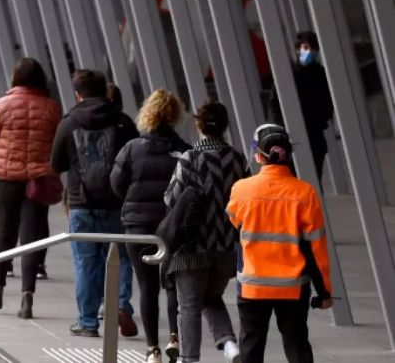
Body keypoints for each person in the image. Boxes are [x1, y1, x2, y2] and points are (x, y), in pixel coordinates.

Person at [227, 124, 333, 363]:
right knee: (296, 345)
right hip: (293, 287)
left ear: (258, 155)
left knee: (251, 346)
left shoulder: (241, 189)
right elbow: (316, 249)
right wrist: (324, 291)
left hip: (253, 285)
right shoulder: (305, 193)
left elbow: (235, 224)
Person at [50, 69, 139, 338]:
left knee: (86, 263)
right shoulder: (123, 122)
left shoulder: (68, 123)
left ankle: (88, 322)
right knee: (122, 257)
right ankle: (121, 304)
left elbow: (56, 164)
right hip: (116, 202)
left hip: (81, 202)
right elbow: (134, 160)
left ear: (77, 94)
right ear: (105, 91)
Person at [163, 100, 248, 363]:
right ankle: (230, 345)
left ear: (199, 125)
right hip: (225, 248)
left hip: (192, 247)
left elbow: (171, 198)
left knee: (188, 306)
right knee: (211, 296)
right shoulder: (238, 159)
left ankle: (189, 359)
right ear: (224, 127)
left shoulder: (191, 158)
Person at [111, 89, 189, 363]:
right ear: (175, 115)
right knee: (171, 283)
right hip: (172, 227)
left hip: (138, 224)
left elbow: (117, 183)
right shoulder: (185, 151)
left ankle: (152, 349)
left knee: (146, 286)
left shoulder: (133, 148)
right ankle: (174, 338)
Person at [0, 58, 62, 319]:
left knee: (5, 234)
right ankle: (27, 297)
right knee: (30, 239)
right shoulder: (51, 108)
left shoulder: (2, 105)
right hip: (36, 180)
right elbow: (57, 146)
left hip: (5, 177)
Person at [268, 31, 334, 182]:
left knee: (313, 180)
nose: (309, 52)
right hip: (290, 135)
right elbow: (274, 103)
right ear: (298, 49)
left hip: (314, 134)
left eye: (313, 49)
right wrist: (282, 126)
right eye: (306, 48)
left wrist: (321, 120)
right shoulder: (288, 73)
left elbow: (327, 102)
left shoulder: (320, 73)